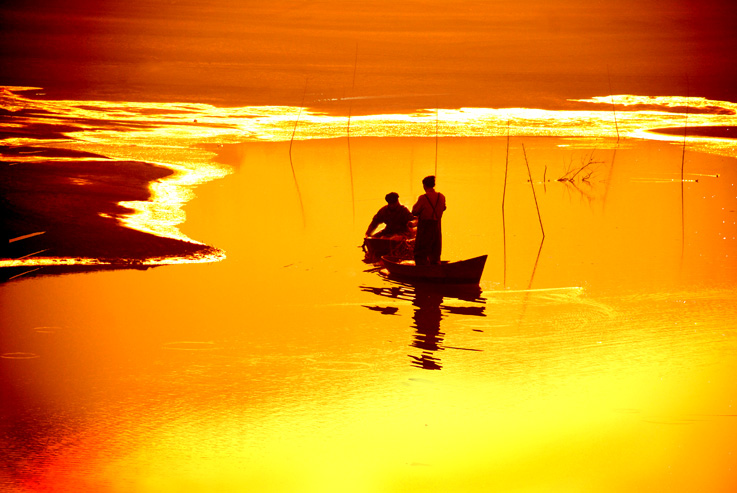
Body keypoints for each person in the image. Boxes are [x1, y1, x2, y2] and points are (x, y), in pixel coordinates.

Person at [411, 175, 446, 265]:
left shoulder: (423, 197)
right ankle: (436, 266)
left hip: (425, 227)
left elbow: (414, 211)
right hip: (437, 226)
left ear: (424, 185)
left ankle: (421, 269)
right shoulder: (441, 196)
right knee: (435, 250)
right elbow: (444, 208)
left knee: (420, 251)